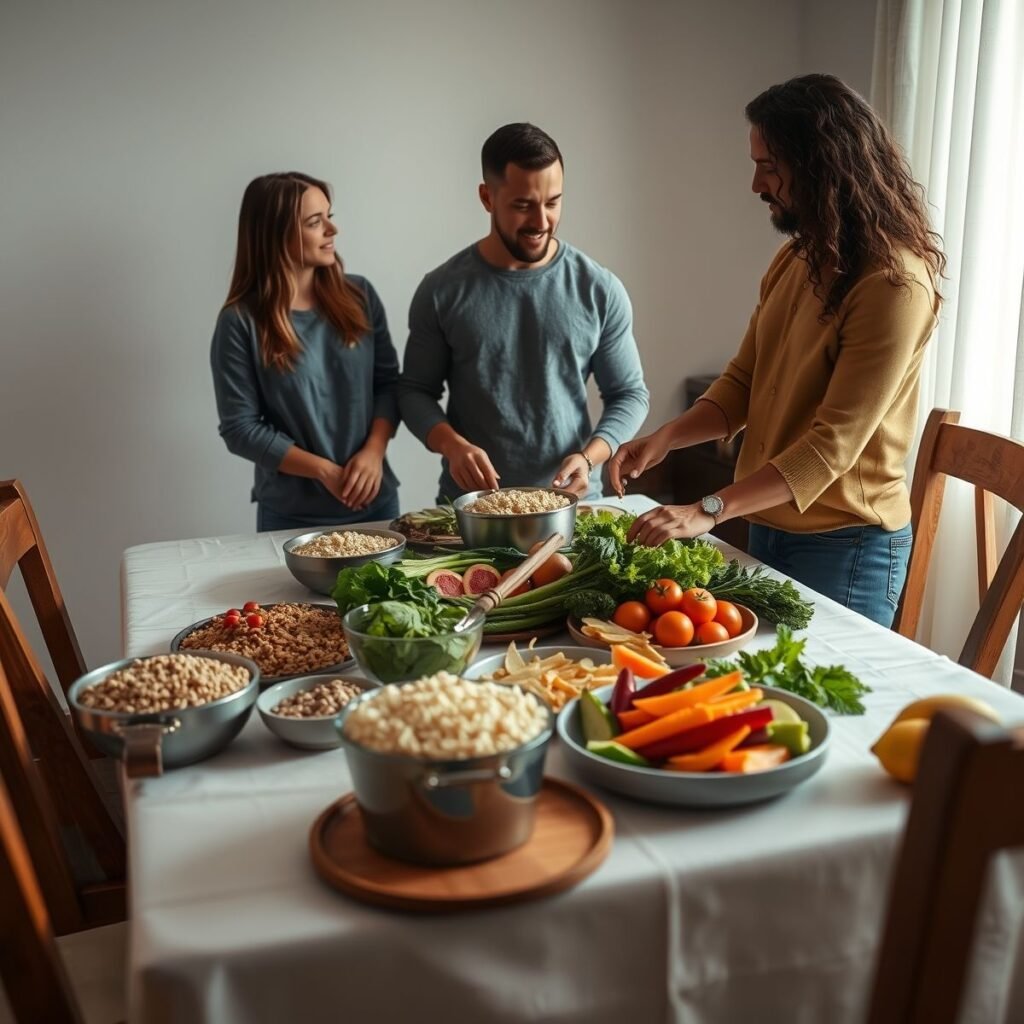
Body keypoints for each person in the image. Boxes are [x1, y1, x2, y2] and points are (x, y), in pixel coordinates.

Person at [610, 75, 945, 628]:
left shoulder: (894, 284)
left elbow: (831, 448)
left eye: (768, 167)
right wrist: (664, 439)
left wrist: (707, 509)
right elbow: (743, 381)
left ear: (821, 166)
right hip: (768, 521)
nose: (755, 184)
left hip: (848, 546)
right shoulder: (797, 259)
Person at [398, 122, 649, 501]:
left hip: (572, 504)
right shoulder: (441, 290)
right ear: (487, 197)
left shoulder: (599, 288)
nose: (541, 221)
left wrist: (590, 456)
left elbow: (630, 394)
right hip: (471, 509)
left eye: (552, 202)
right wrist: (452, 446)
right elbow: (414, 392)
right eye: (523, 205)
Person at [211, 172, 401, 532]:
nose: (333, 230)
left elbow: (389, 386)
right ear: (276, 236)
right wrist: (324, 471)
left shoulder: (360, 296)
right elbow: (240, 428)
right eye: (315, 222)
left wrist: (373, 453)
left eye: (330, 216)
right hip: (290, 518)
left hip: (377, 504)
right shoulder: (240, 322)